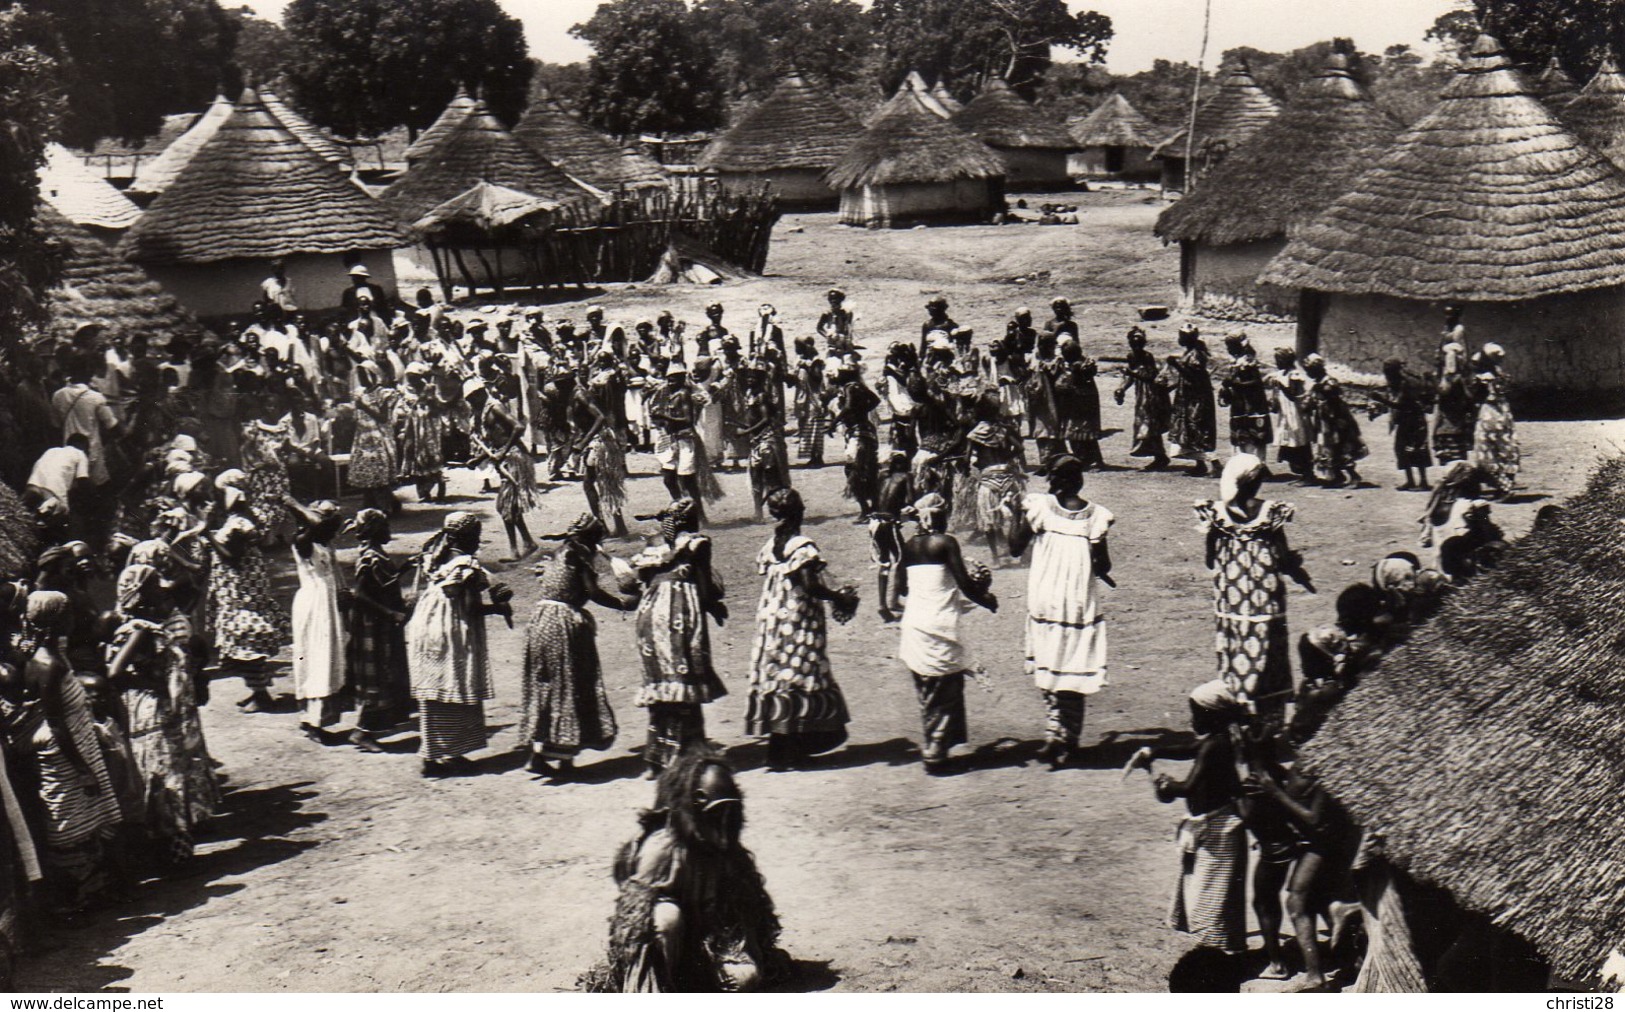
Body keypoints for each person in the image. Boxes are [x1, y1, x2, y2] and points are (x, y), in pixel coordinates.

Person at [586, 749, 783, 992]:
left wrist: (744, 949)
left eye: (729, 812)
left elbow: (744, 908)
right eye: (716, 812)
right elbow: (633, 921)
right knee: (666, 918)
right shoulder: (663, 848)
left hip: (709, 944)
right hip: (666, 950)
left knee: (746, 978)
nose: (722, 821)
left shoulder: (730, 851)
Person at [0, 591, 122, 921]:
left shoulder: (49, 655)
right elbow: (56, 725)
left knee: (81, 822)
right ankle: (72, 902)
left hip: (73, 747)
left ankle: (88, 893)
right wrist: (81, 769)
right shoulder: (48, 665)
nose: (73, 618)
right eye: (67, 613)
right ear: (58, 620)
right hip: (65, 753)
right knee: (69, 827)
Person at [1124, 683, 1249, 958]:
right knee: (1211, 889)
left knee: (1209, 893)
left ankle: (1216, 954)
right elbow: (1188, 748)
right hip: (1214, 826)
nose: (1192, 720)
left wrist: (1167, 785)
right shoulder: (1216, 740)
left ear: (1212, 715)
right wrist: (1154, 752)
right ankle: (1222, 950)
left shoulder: (1215, 746)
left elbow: (1190, 786)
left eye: (1196, 714)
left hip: (1219, 831)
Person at [1008, 455, 1114, 768]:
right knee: (1071, 667)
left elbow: (1014, 546)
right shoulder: (1095, 516)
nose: (1048, 484)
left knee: (1050, 661)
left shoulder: (1039, 508)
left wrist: (1016, 513)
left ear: (1060, 481)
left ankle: (1058, 734)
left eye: (1051, 479)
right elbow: (1104, 565)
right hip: (1078, 600)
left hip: (1046, 596)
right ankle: (1063, 736)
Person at [746, 489, 859, 771]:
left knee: (779, 674)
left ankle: (778, 750)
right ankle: (796, 749)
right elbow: (810, 585)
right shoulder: (802, 547)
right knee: (801, 674)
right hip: (797, 619)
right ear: (799, 512)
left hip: (772, 619)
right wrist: (838, 597)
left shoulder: (773, 544)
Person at [520, 515, 639, 780]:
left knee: (548, 685)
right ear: (590, 538)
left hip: (541, 620)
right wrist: (621, 603)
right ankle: (564, 761)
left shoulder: (556, 552)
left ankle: (538, 755)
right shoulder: (578, 555)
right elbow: (592, 592)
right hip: (563, 624)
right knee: (569, 686)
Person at [1195, 454, 1314, 716]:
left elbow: (1210, 558)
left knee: (1235, 644)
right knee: (1269, 646)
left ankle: (1238, 701)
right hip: (1266, 593)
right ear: (1259, 483)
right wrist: (1296, 569)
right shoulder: (1270, 512)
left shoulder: (1216, 514)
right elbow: (1282, 557)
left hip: (1231, 595)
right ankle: (1268, 711)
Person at [891, 493, 997, 773]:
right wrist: (987, 600)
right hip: (940, 623)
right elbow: (965, 583)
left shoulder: (909, 545)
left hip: (915, 624)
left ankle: (937, 743)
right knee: (945, 687)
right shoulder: (946, 542)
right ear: (938, 516)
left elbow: (901, 588)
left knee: (928, 688)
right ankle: (936, 751)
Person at [405, 512, 512, 778]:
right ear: (460, 538)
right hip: (449, 630)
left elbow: (466, 602)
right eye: (474, 536)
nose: (477, 541)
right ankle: (445, 754)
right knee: (453, 685)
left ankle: (437, 754)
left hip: (431, 625)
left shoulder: (439, 558)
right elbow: (458, 591)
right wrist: (490, 593)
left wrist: (494, 609)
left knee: (438, 689)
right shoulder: (464, 564)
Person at [193, 469, 290, 710]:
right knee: (244, 640)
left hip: (240, 589)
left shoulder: (238, 523)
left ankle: (261, 694)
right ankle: (257, 689)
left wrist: (207, 534)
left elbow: (232, 556)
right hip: (244, 586)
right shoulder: (246, 516)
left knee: (246, 639)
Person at [342, 509, 413, 752]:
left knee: (386, 674)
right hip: (373, 625)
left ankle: (366, 729)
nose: (389, 531)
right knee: (378, 677)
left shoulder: (377, 555)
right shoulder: (369, 557)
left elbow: (385, 582)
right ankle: (362, 732)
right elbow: (360, 594)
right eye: (385, 527)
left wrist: (405, 569)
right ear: (375, 530)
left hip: (380, 624)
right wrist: (391, 613)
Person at [286, 499, 346, 743]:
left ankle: (315, 717)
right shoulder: (303, 541)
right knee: (316, 658)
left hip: (326, 602)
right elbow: (317, 523)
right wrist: (291, 503)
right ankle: (313, 721)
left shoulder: (324, 542)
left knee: (328, 656)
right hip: (313, 604)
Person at [467, 379, 540, 561]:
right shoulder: (485, 411)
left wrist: (503, 452)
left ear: (479, 394)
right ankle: (527, 542)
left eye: (471, 399)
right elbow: (495, 442)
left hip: (515, 457)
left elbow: (518, 427)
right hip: (506, 457)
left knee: (505, 505)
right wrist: (479, 458)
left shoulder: (495, 408)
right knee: (510, 506)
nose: (470, 403)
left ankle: (516, 549)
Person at [50, 358, 122, 488]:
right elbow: (113, 427)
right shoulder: (95, 398)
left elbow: (55, 427)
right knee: (99, 490)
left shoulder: (58, 396)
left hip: (68, 454)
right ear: (89, 373)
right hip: (92, 454)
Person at [1300, 354, 1367, 488]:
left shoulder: (1330, 382)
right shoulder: (1317, 385)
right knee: (1328, 449)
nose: (1309, 374)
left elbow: (1335, 403)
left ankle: (1354, 476)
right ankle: (1337, 476)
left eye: (1310, 370)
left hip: (1336, 423)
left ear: (1317, 369)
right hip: (1324, 423)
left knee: (1340, 448)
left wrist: (1322, 397)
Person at [1372, 359, 1435, 491]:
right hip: (1405, 421)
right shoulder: (1397, 383)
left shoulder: (1406, 384)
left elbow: (1401, 405)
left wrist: (1381, 400)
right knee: (1401, 449)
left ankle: (1423, 482)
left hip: (1415, 421)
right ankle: (1410, 481)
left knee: (1417, 449)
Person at [830, 362, 882, 518]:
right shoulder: (858, 386)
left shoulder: (850, 387)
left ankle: (866, 508)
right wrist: (862, 410)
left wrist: (833, 423)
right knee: (869, 469)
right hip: (865, 430)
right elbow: (875, 400)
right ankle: (874, 505)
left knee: (853, 471)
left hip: (857, 433)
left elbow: (847, 407)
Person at [1114, 327, 1169, 470]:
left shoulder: (1147, 357)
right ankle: (1159, 455)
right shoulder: (1131, 356)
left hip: (1152, 394)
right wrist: (1122, 388)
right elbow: (1130, 377)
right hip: (1141, 395)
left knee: (1149, 425)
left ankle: (1160, 456)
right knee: (1146, 425)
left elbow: (1150, 378)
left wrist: (1132, 374)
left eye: (1139, 343)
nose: (1136, 346)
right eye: (1133, 344)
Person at [348, 365, 400, 515]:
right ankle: (369, 505)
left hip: (380, 439)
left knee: (379, 474)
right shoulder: (359, 393)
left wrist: (364, 406)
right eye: (359, 375)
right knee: (366, 474)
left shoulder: (384, 393)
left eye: (364, 374)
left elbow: (383, 418)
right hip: (363, 439)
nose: (362, 378)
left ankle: (385, 506)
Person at [1468, 344, 1519, 497]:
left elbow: (1475, 396)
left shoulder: (1484, 378)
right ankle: (1506, 484)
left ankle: (1503, 487)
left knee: (1487, 449)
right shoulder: (1500, 374)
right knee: (1504, 447)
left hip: (1489, 414)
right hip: (1503, 413)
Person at [871, 452, 915, 623]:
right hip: (889, 523)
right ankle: (894, 599)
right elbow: (911, 499)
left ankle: (884, 603)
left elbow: (877, 498)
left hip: (875, 522)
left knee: (884, 561)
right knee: (902, 559)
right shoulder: (906, 477)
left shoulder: (882, 476)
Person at [1169, 326, 1217, 477]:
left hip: (1197, 398)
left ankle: (1215, 463)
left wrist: (1176, 365)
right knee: (1190, 430)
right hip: (1189, 397)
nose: (1179, 339)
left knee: (1198, 429)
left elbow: (1193, 377)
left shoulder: (1195, 354)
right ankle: (1200, 464)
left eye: (1181, 336)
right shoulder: (1190, 352)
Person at [24, 434, 93, 537]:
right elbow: (83, 480)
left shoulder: (51, 450)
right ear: (84, 446)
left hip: (33, 484)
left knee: (26, 514)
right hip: (53, 491)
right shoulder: (80, 454)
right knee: (66, 523)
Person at [1217, 335, 1272, 457]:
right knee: (1242, 435)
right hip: (1239, 403)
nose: (1228, 349)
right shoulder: (1235, 361)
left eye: (1231, 346)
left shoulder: (1248, 361)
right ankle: (1244, 465)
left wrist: (1235, 384)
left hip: (1253, 403)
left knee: (1255, 436)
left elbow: (1257, 382)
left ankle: (1258, 466)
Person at [1265, 348, 1311, 482]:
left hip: (1295, 413)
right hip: (1285, 414)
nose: (1277, 362)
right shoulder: (1280, 373)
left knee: (1299, 441)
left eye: (1279, 360)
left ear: (1287, 360)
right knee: (1289, 441)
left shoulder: (1294, 375)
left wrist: (1280, 385)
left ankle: (1307, 473)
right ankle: (1301, 472)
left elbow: (1293, 395)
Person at [1432, 341, 1475, 465]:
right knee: (1456, 457)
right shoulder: (1459, 377)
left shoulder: (1450, 379)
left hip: (1448, 421)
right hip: (1456, 421)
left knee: (1451, 458)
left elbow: (1443, 393)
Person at [818, 288, 854, 356]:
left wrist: (847, 338)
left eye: (836, 298)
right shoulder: (827, 314)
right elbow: (819, 328)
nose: (833, 300)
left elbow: (849, 327)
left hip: (845, 342)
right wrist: (828, 336)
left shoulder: (847, 313)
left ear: (841, 299)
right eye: (831, 298)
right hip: (832, 343)